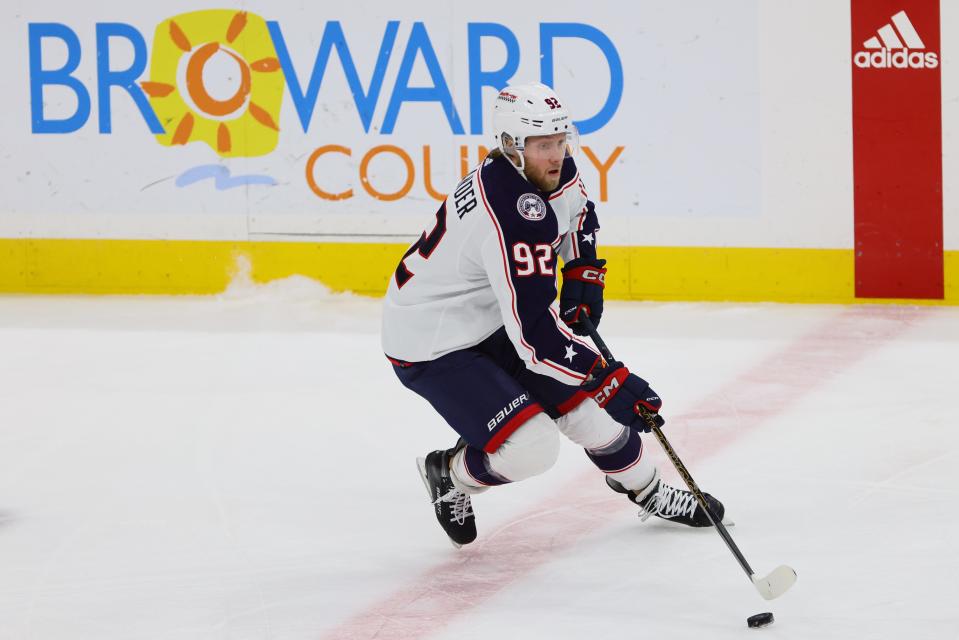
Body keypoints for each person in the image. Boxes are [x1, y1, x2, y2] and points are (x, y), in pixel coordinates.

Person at [381, 82, 724, 547]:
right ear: (510, 147)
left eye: (562, 141)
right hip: (432, 342)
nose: (557, 154)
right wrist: (609, 378)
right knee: (532, 448)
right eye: (544, 145)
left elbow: (578, 213)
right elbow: (537, 339)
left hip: (490, 318)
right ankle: (451, 474)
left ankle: (648, 490)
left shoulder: (539, 172)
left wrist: (582, 268)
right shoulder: (508, 215)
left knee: (591, 413)